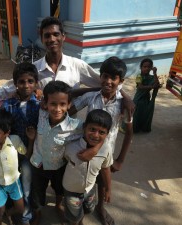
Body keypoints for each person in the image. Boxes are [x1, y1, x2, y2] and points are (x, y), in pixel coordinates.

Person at [0, 16, 134, 121]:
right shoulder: (34, 69)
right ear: (42, 39)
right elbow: (10, 87)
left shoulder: (77, 65)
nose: (52, 39)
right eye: (47, 36)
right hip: (42, 127)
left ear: (63, 37)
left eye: (56, 34)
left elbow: (103, 82)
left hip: (70, 128)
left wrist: (126, 97)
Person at [69, 56, 133, 225]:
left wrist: (120, 160)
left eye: (114, 78)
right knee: (84, 178)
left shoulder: (124, 104)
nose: (108, 81)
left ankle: (100, 208)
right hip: (84, 149)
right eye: (105, 76)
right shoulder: (92, 97)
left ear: (121, 81)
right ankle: (79, 207)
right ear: (100, 76)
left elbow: (129, 133)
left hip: (107, 154)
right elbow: (69, 108)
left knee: (102, 181)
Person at [29, 81, 102, 225]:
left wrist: (95, 149)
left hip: (59, 165)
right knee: (37, 191)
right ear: (46, 104)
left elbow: (97, 134)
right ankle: (37, 212)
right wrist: (36, 91)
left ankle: (58, 205)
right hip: (38, 163)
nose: (57, 109)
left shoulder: (76, 126)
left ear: (69, 105)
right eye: (53, 104)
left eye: (62, 104)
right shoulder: (41, 114)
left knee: (59, 189)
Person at [0, 62, 40, 225]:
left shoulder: (40, 105)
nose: (26, 85)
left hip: (32, 154)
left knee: (28, 186)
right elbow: (1, 128)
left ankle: (25, 217)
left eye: (30, 81)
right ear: (15, 83)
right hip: (12, 154)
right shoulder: (8, 105)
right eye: (21, 82)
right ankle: (12, 210)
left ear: (36, 83)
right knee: (11, 183)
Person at [63, 109, 113, 225]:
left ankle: (80, 220)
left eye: (101, 132)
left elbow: (106, 169)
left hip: (90, 188)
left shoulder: (106, 150)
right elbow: (64, 159)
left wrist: (108, 189)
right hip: (71, 189)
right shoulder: (71, 146)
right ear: (84, 127)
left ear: (107, 134)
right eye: (92, 129)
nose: (95, 135)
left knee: (88, 209)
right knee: (74, 216)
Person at [132, 58, 161, 133]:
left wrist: (155, 73)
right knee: (136, 114)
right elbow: (140, 87)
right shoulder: (139, 76)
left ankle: (142, 127)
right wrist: (151, 87)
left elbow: (157, 84)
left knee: (144, 113)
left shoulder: (151, 77)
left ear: (151, 68)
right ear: (141, 67)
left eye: (148, 67)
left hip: (146, 98)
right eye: (144, 67)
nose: (146, 68)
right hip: (138, 99)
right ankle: (134, 129)